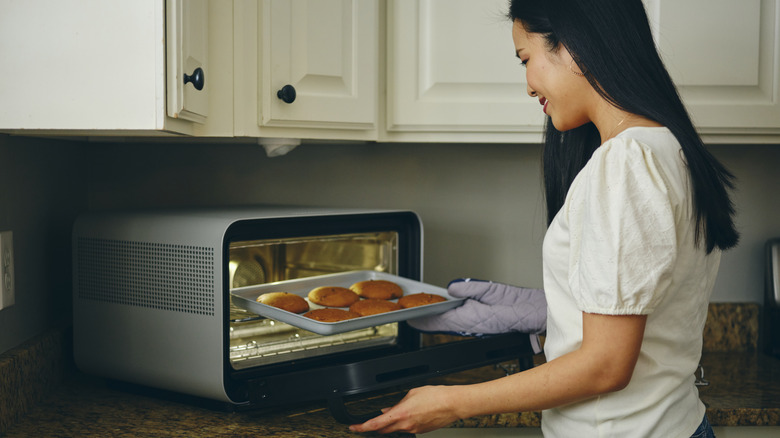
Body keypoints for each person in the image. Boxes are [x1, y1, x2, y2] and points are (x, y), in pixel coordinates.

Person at [349, 0, 739, 436]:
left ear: (572, 47)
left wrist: (452, 401)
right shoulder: (668, 148)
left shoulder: (625, 164)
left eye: (526, 59)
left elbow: (606, 366)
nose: (529, 86)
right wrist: (550, 307)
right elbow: (649, 295)